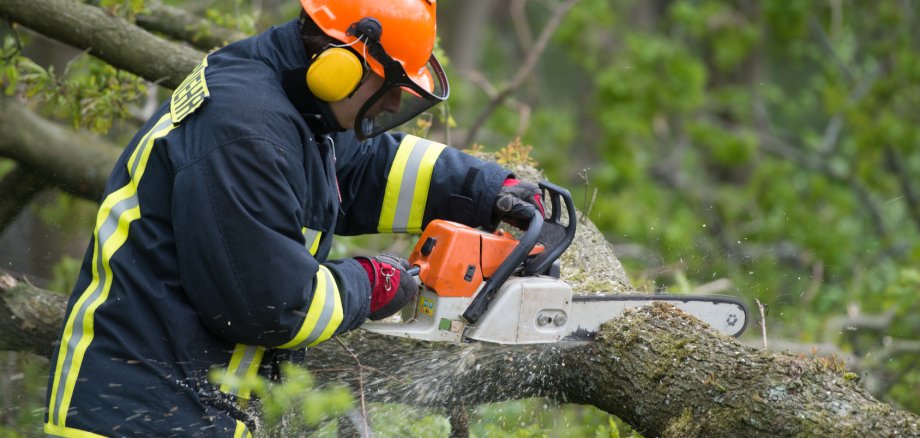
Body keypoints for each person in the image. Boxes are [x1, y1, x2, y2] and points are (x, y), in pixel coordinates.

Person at [43, 0, 544, 436]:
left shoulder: (295, 106)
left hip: (181, 410)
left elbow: (365, 169)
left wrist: (486, 191)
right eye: (388, 82)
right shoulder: (246, 130)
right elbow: (271, 305)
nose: (393, 102)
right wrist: (370, 284)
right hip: (136, 419)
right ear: (338, 66)